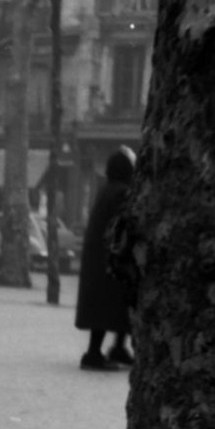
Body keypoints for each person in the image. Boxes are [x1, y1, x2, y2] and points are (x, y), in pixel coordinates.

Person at [76, 146, 136, 371]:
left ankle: (114, 348)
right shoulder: (122, 192)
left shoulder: (106, 190)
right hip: (110, 260)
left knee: (106, 307)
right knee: (113, 305)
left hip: (98, 259)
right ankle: (95, 353)